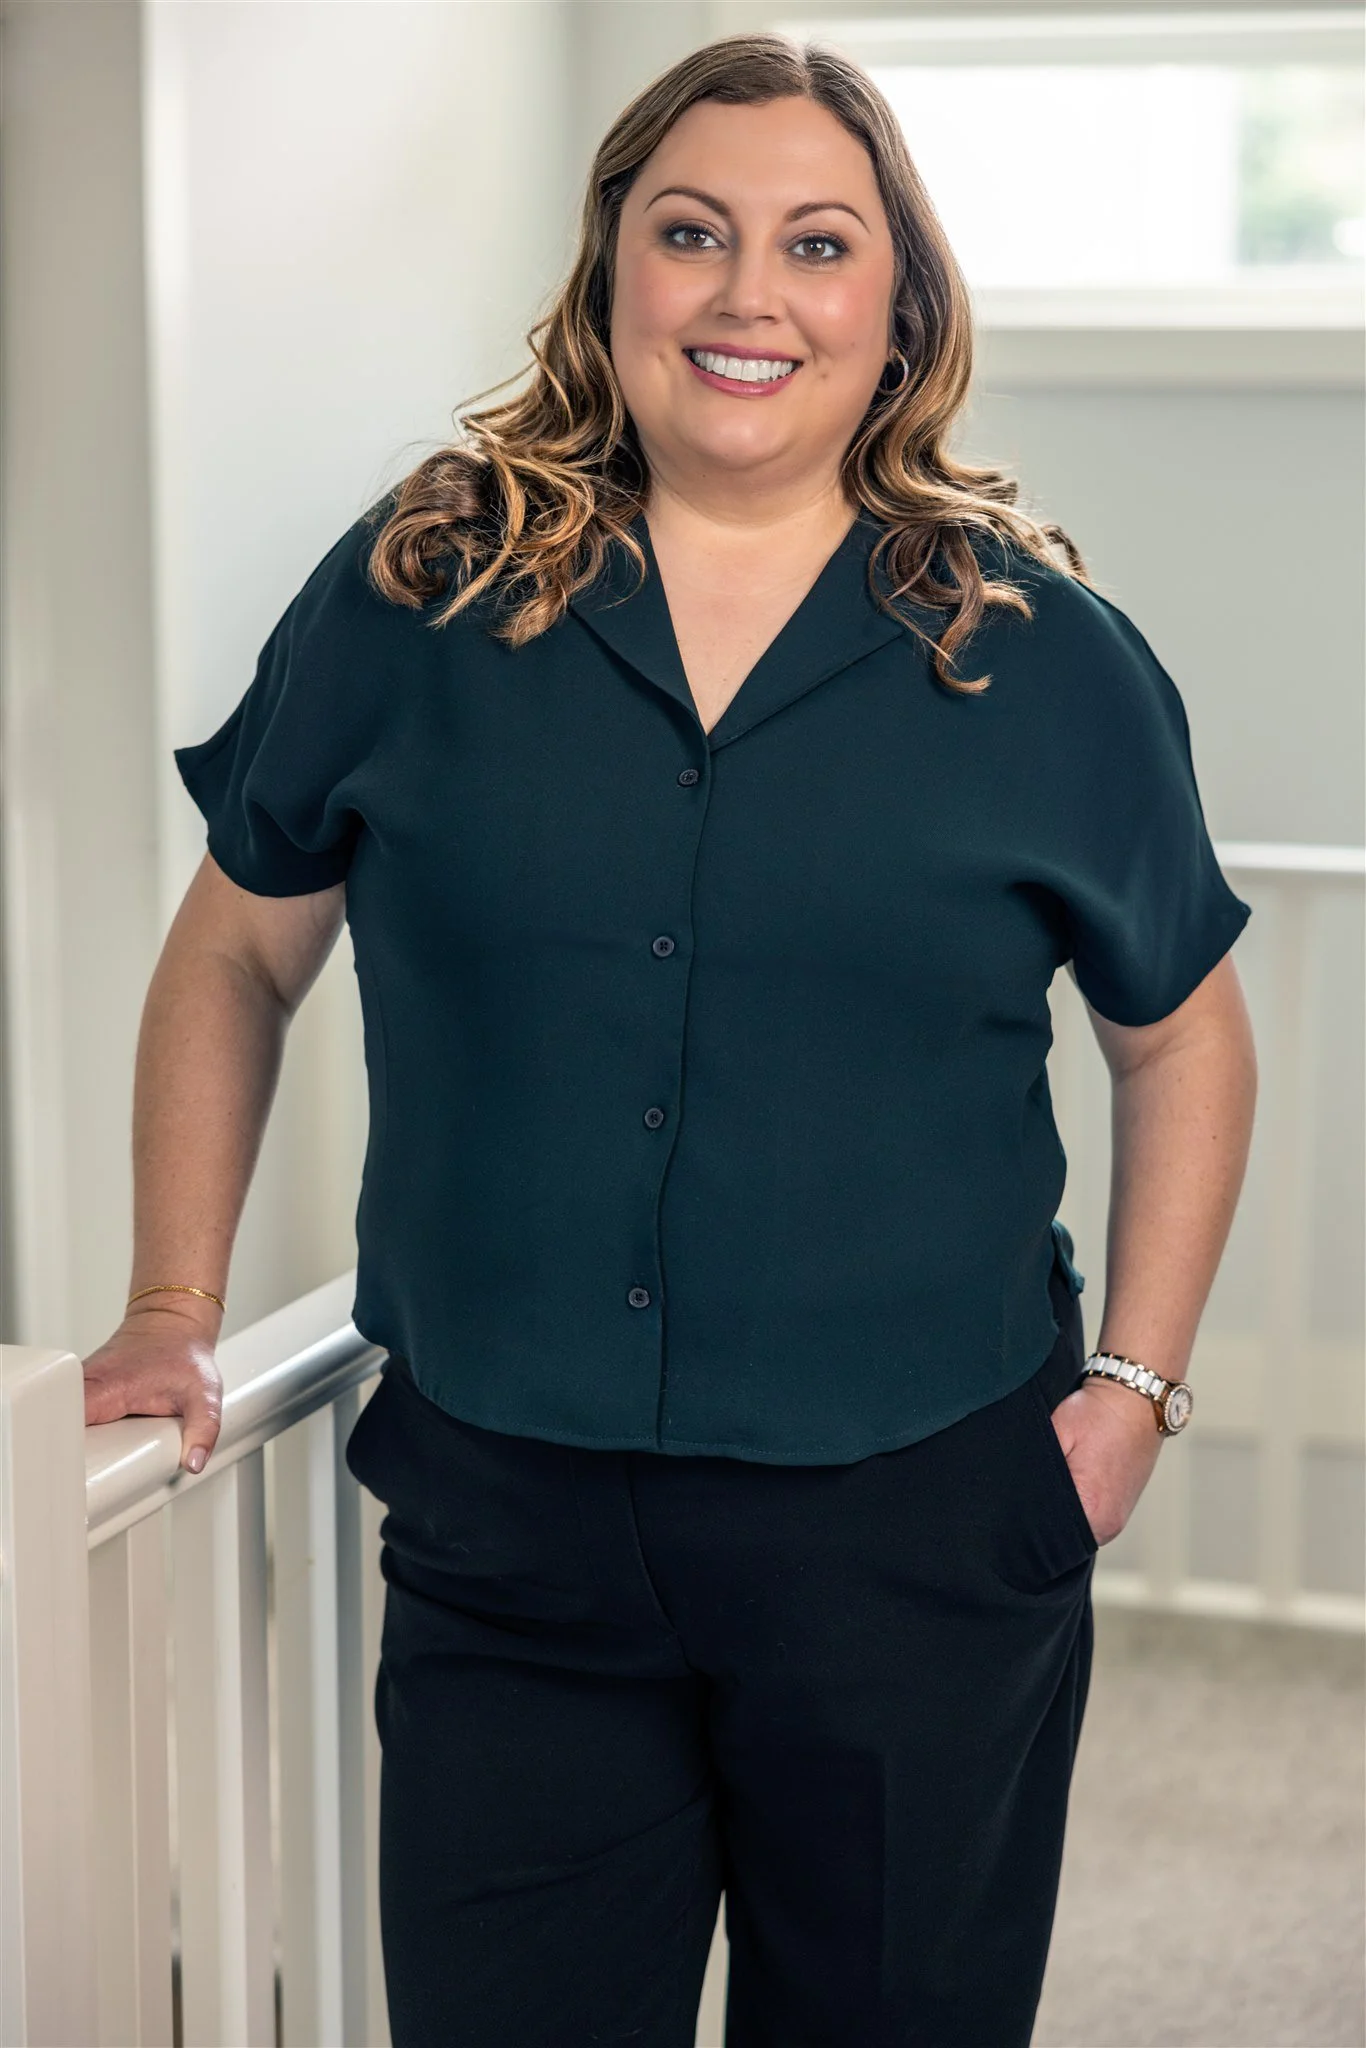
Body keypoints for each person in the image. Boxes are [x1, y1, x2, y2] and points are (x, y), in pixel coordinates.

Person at [83, 31, 1259, 2048]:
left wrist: (1129, 1396)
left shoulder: (1043, 657)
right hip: (510, 1532)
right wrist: (174, 1297)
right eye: (688, 233)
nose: (745, 296)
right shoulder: (419, 590)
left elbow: (1181, 1038)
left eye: (816, 245)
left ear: (896, 311)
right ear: (608, 270)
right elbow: (232, 958)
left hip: (917, 1525)